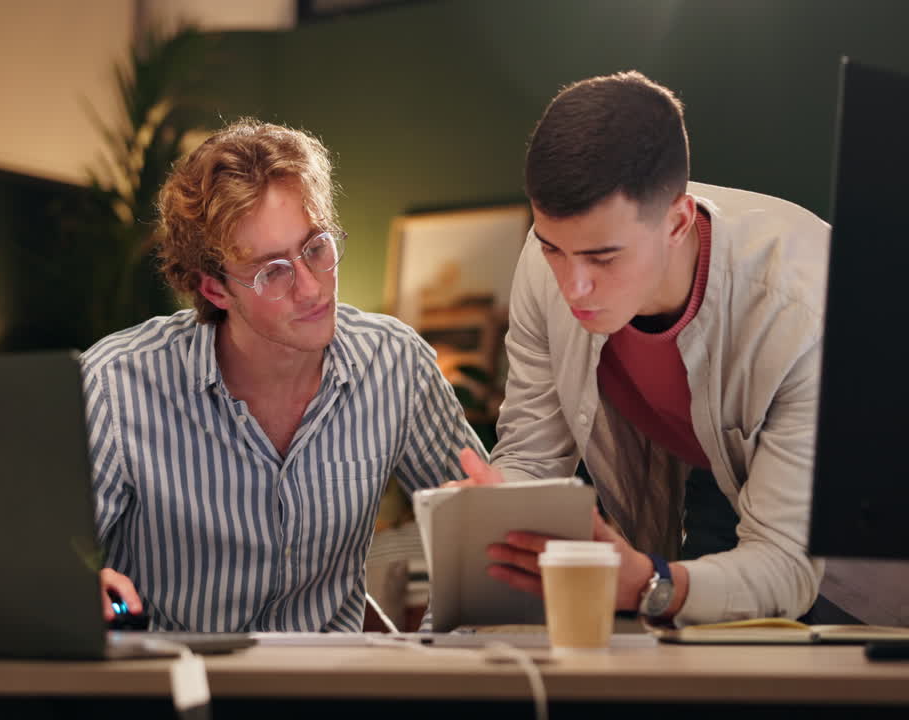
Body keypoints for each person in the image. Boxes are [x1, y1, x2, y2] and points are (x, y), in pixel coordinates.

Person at [454, 70, 847, 626]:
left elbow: (787, 564)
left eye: (604, 258)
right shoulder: (552, 260)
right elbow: (531, 458)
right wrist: (494, 511)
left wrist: (651, 584)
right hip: (714, 483)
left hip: (856, 543)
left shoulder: (805, 309)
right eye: (554, 250)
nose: (572, 286)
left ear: (678, 222)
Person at [80, 118, 484, 632]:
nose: (313, 289)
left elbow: (484, 542)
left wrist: (427, 663)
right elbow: (40, 564)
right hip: (175, 692)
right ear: (215, 290)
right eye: (273, 271)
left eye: (316, 247)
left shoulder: (396, 364)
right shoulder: (118, 386)